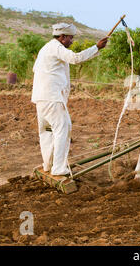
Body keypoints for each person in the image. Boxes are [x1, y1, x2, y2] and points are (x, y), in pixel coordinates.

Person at [31, 23, 109, 176]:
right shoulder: (56, 47)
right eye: (70, 38)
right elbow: (75, 58)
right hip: (52, 98)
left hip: (42, 98)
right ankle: (59, 168)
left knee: (47, 132)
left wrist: (96, 49)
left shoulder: (46, 48)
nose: (72, 41)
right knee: (63, 129)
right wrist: (97, 47)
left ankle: (49, 165)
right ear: (63, 37)